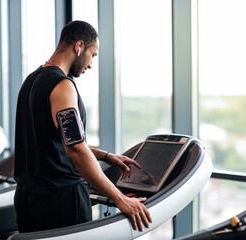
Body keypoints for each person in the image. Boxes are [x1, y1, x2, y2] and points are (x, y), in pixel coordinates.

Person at [14, 20, 152, 233]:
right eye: (92, 55)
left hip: (27, 200)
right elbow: (76, 150)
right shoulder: (62, 86)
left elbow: (54, 142)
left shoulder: (30, 82)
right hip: (61, 202)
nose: (90, 64)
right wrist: (120, 199)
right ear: (79, 47)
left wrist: (105, 156)